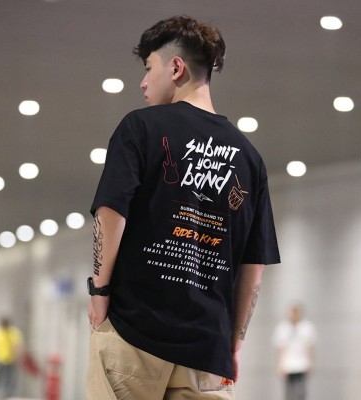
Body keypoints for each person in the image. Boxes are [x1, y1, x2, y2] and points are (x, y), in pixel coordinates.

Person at [87, 15, 280, 400]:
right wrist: (234, 343)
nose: (143, 82)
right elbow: (253, 264)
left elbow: (111, 211)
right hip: (207, 353)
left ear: (176, 67)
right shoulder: (249, 158)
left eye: (148, 68)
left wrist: (99, 289)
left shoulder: (139, 128)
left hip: (135, 333)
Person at [272, 304, 317, 400]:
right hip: (288, 365)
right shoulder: (282, 328)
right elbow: (280, 349)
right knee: (289, 392)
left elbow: (310, 347)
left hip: (302, 364)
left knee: (301, 391)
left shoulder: (307, 327)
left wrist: (311, 363)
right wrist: (280, 365)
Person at [0, 316, 23, 399]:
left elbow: (17, 345)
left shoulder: (13, 332)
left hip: (10, 359)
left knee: (9, 378)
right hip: (0, 359)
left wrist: (18, 355)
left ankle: (8, 394)